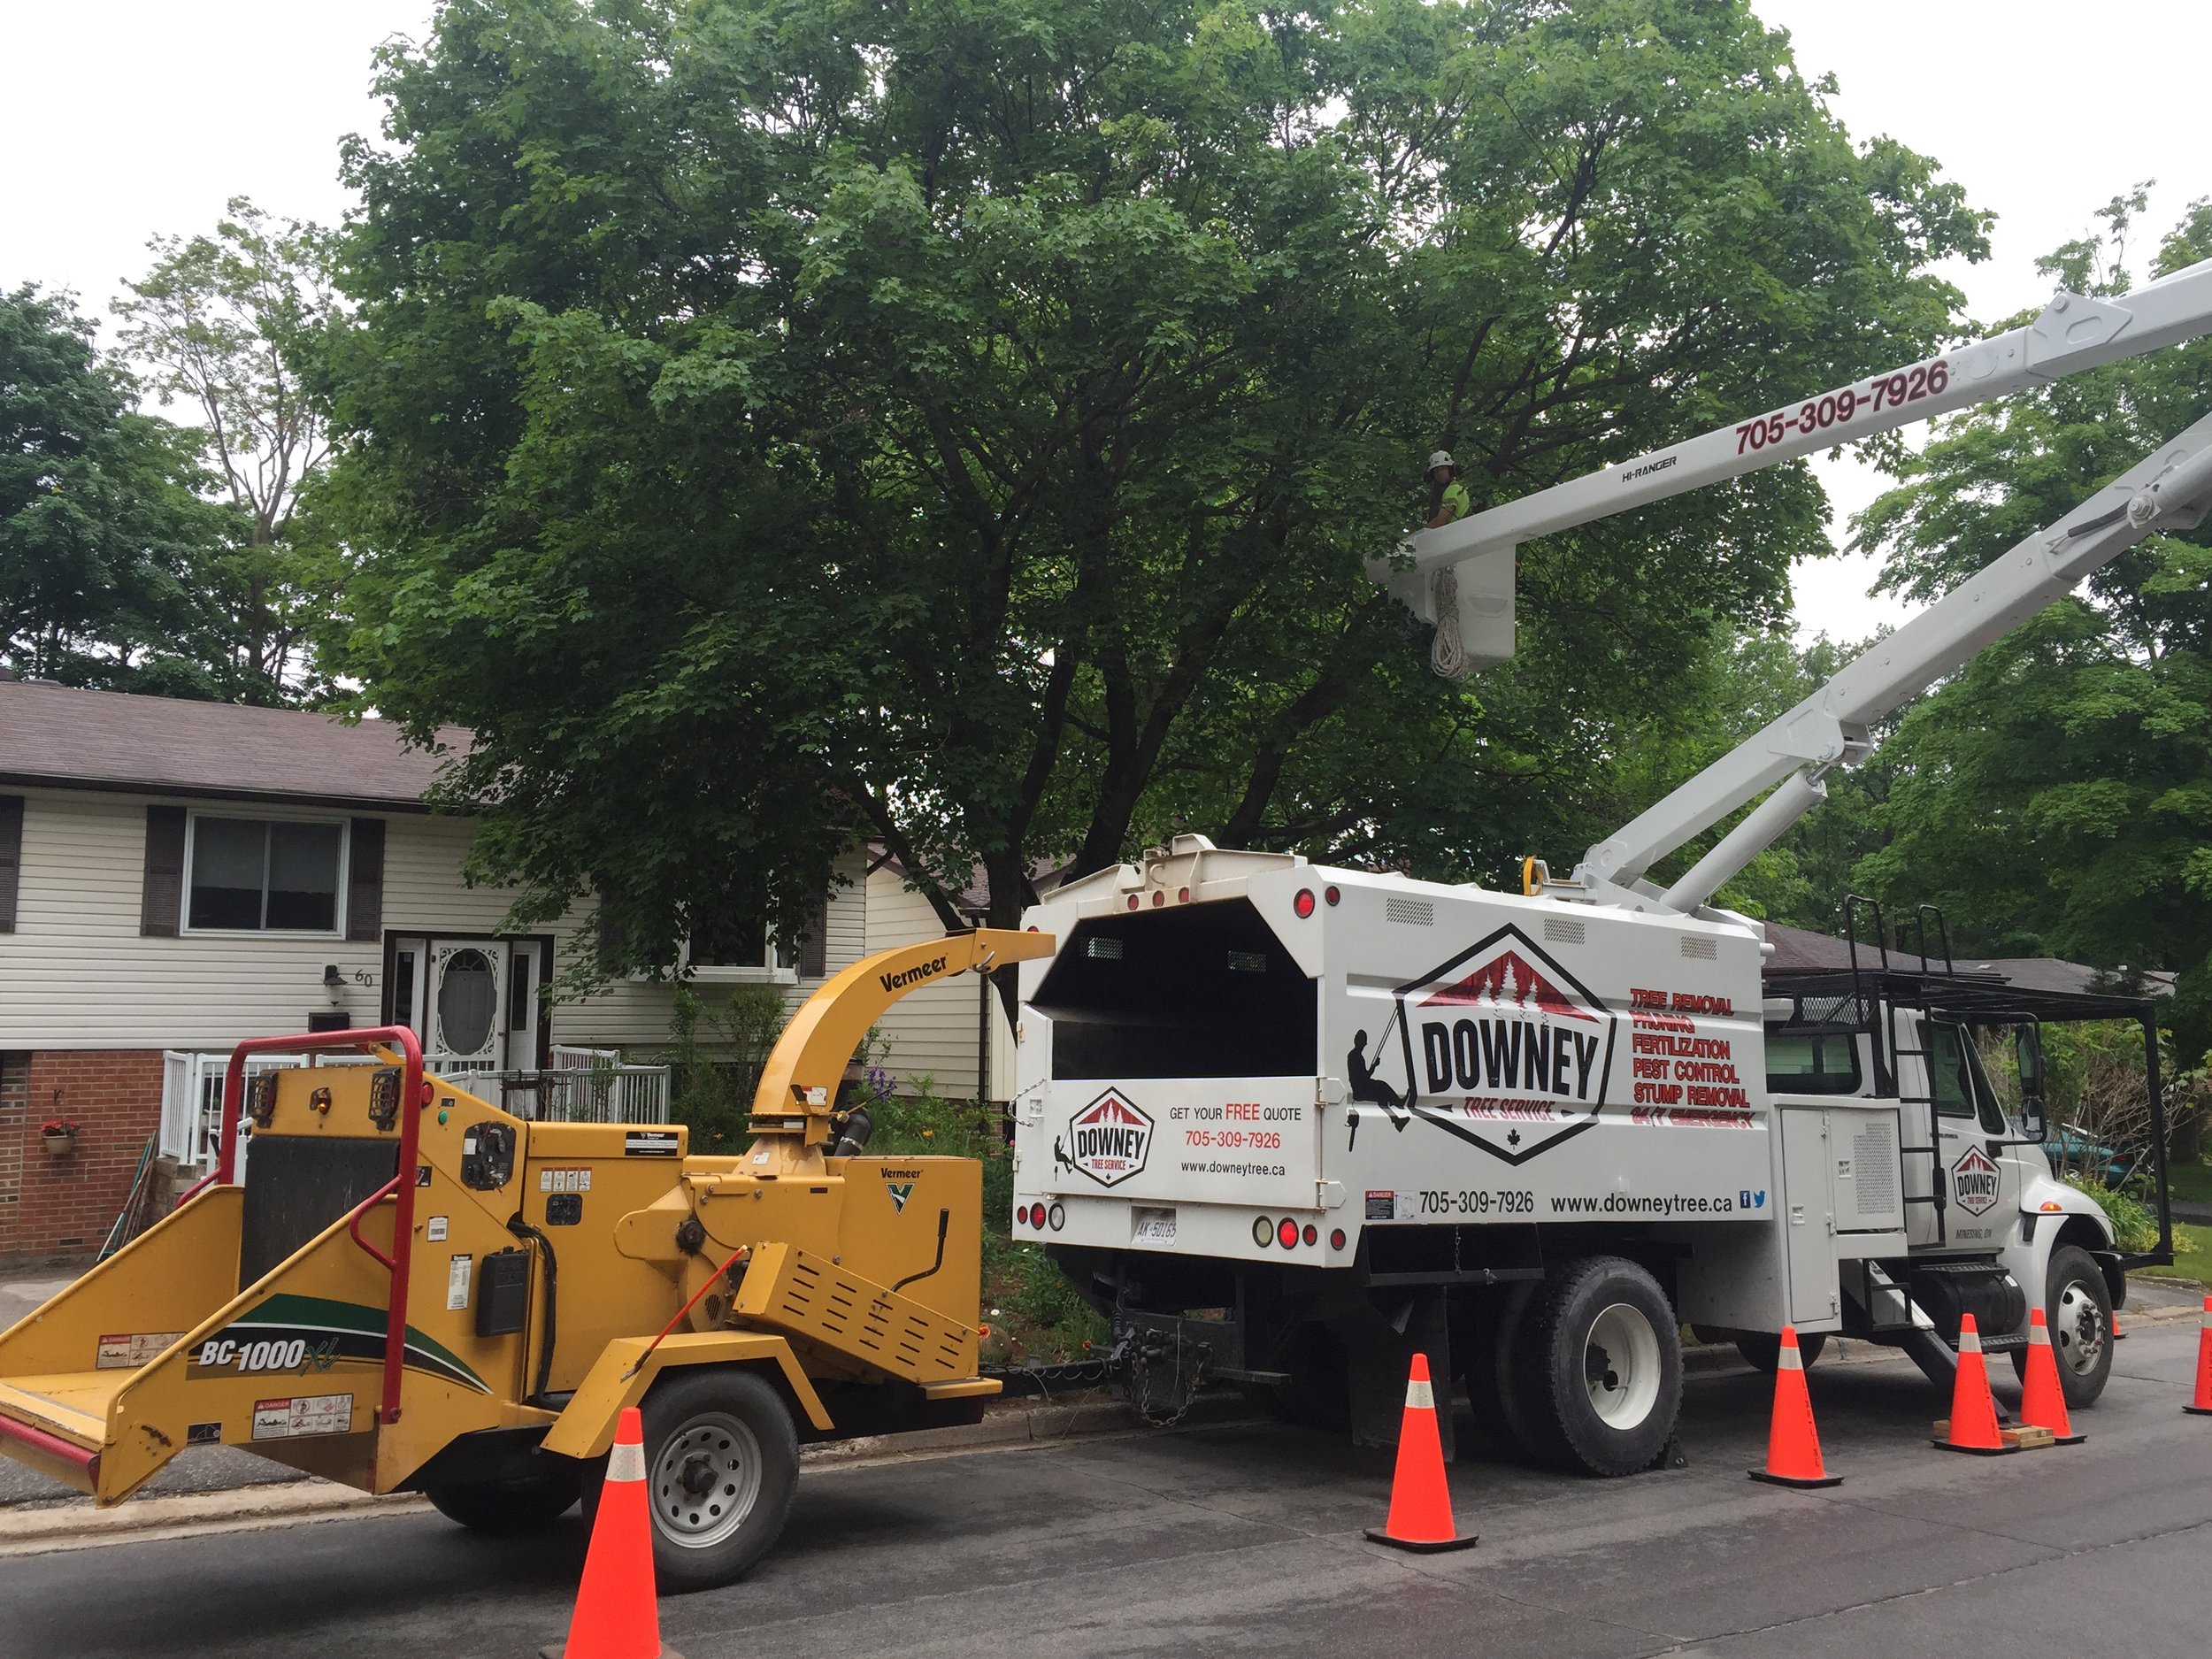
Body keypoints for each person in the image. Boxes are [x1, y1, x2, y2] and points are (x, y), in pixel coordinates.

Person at [1425, 449, 1471, 529]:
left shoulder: (1452, 489)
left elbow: (1441, 521)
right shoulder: (1458, 488)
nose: (1439, 473)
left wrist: (1419, 535)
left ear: (1450, 470)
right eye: (1436, 471)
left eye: (1443, 469)